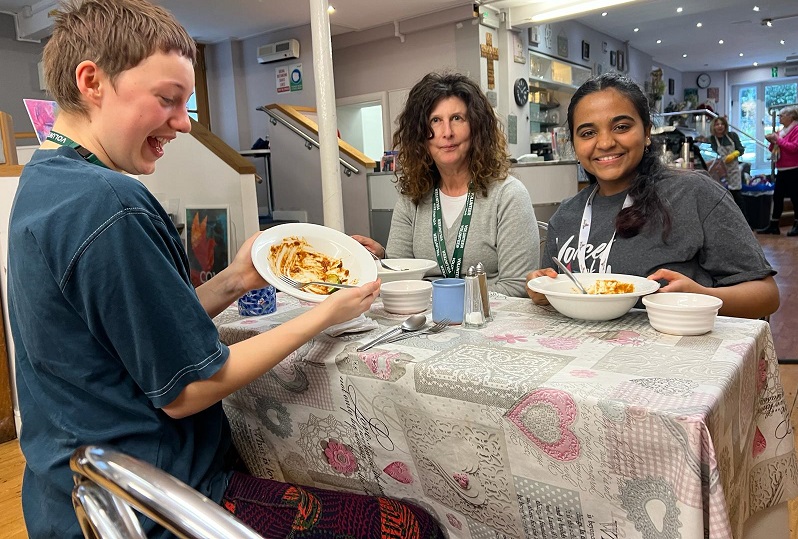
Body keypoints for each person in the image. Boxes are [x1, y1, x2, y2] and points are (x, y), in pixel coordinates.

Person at [6, 2, 443, 538]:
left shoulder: (46, 181)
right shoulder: (110, 204)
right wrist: (324, 314)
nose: (183, 123)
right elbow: (188, 388)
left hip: (72, 496)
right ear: (92, 81)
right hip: (158, 502)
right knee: (411, 525)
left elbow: (144, 338)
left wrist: (237, 278)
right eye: (167, 100)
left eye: (186, 104)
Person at [526, 73, 779, 319]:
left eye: (621, 127)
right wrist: (541, 290)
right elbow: (553, 289)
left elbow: (767, 295)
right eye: (588, 133)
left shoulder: (694, 194)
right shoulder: (566, 215)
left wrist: (701, 296)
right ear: (574, 143)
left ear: (647, 132)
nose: (604, 143)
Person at [353, 72, 539, 298]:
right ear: (420, 135)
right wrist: (383, 259)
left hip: (488, 322)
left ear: (477, 127)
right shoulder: (411, 196)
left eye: (457, 118)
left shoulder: (509, 195)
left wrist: (445, 299)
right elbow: (402, 277)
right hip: (425, 322)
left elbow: (516, 287)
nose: (447, 133)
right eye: (435, 120)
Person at [759, 106, 798, 236]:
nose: (779, 118)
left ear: (790, 116)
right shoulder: (782, 131)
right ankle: (774, 225)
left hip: (793, 169)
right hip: (781, 168)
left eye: (782, 115)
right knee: (777, 197)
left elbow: (794, 148)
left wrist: (778, 140)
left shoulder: (796, 129)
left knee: (795, 197)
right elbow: (774, 148)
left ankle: (797, 224)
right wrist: (772, 141)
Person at [708, 116, 745, 211]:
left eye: (722, 124)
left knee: (737, 196)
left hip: (734, 169)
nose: (720, 126)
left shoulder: (732, 136)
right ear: (713, 127)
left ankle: (745, 220)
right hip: (721, 170)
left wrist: (734, 154)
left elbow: (741, 149)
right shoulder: (712, 139)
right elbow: (714, 152)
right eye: (717, 124)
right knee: (724, 196)